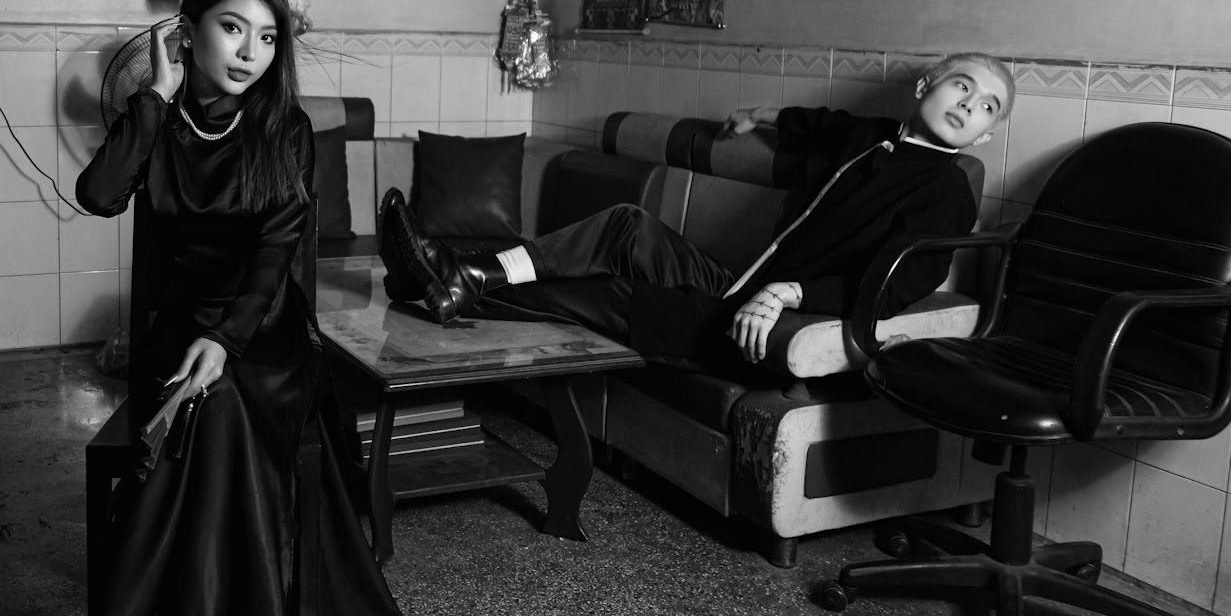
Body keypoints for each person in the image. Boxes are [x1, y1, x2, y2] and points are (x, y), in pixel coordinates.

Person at [76, 0, 429, 616]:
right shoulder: (154, 118)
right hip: (177, 335)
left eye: (267, 37)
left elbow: (276, 262)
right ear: (187, 30)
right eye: (232, 28)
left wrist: (226, 343)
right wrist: (152, 101)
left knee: (220, 406)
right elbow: (98, 193)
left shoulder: (285, 128)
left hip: (263, 335)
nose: (249, 52)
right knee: (198, 403)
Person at [378, 54, 1013, 380]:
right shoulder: (873, 135)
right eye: (962, 85)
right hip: (737, 285)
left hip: (766, 320)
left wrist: (795, 293)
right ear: (926, 84)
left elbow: (906, 282)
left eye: (987, 107)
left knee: (604, 293)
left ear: (985, 137)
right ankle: (463, 277)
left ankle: (452, 281)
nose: (969, 105)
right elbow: (822, 125)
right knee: (627, 223)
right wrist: (760, 116)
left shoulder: (947, 191)